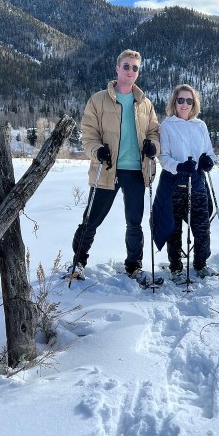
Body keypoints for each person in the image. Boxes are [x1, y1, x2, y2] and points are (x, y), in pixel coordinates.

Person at [67, 49, 160, 286]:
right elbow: (88, 135)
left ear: (138, 72)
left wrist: (153, 147)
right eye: (126, 66)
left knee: (134, 221)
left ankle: (134, 266)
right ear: (117, 68)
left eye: (135, 68)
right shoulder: (98, 100)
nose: (130, 71)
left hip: (136, 171)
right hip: (107, 169)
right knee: (92, 219)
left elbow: (154, 132)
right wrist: (97, 151)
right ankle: (78, 262)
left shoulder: (145, 103)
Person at [152, 84, 217, 282]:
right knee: (174, 228)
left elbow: (209, 152)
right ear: (174, 102)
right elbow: (163, 157)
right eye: (181, 100)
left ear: (194, 103)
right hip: (174, 184)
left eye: (189, 100)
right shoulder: (167, 126)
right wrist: (179, 166)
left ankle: (201, 263)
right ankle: (176, 267)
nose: (185, 104)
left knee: (202, 227)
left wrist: (208, 161)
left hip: (197, 183)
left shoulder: (201, 125)